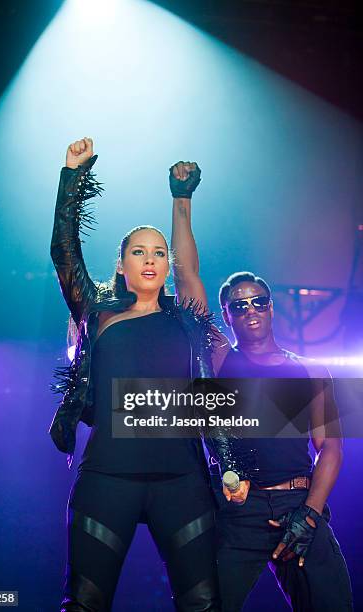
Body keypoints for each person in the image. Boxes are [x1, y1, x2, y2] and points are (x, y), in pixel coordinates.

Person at [50, 138, 224, 611]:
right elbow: (64, 252)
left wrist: (181, 199)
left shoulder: (186, 318)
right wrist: (72, 177)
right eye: (139, 252)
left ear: (166, 266)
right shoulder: (98, 314)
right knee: (84, 603)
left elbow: (191, 269)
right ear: (122, 266)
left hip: (182, 481)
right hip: (109, 478)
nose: (150, 259)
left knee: (204, 604)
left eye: (159, 253)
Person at [169, 164, 353, 611]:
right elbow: (186, 277)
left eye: (258, 301)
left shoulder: (310, 371)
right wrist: (181, 199)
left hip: (298, 504)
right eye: (238, 305)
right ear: (226, 315)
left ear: (272, 308)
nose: (250, 309)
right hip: (239, 511)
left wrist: (309, 516)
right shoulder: (220, 357)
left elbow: (329, 449)